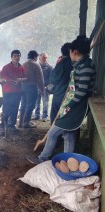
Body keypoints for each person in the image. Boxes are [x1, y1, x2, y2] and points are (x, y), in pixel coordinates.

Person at [27, 36, 96, 164]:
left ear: (74, 52)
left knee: (53, 133)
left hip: (76, 107)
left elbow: (81, 92)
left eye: (70, 51)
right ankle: (68, 161)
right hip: (73, 105)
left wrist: (67, 106)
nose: (69, 54)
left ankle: (43, 158)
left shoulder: (86, 66)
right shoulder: (80, 64)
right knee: (68, 135)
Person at [0, 50, 26, 137]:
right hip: (8, 91)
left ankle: (12, 126)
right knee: (6, 109)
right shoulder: (6, 67)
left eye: (18, 56)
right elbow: (2, 77)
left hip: (17, 91)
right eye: (15, 56)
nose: (17, 57)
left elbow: (26, 77)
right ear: (11, 57)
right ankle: (3, 127)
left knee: (15, 108)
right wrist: (12, 81)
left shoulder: (21, 67)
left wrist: (20, 80)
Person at [48, 43, 73, 124]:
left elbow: (53, 78)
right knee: (66, 115)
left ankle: (54, 135)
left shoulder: (62, 63)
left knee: (56, 115)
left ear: (62, 53)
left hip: (59, 94)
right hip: (71, 95)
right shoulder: (75, 64)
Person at [19, 50, 44, 128]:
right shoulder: (36, 65)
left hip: (23, 87)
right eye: (37, 56)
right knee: (30, 105)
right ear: (34, 57)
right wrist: (42, 89)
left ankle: (20, 123)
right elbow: (40, 79)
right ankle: (26, 123)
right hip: (32, 87)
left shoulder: (23, 64)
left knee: (23, 104)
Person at [33, 53, 53, 121]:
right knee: (37, 102)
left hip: (45, 88)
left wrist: (47, 86)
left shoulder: (50, 67)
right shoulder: (36, 66)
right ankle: (37, 115)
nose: (45, 59)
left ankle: (44, 116)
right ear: (39, 58)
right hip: (37, 87)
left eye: (46, 57)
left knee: (45, 103)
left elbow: (51, 78)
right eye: (44, 57)